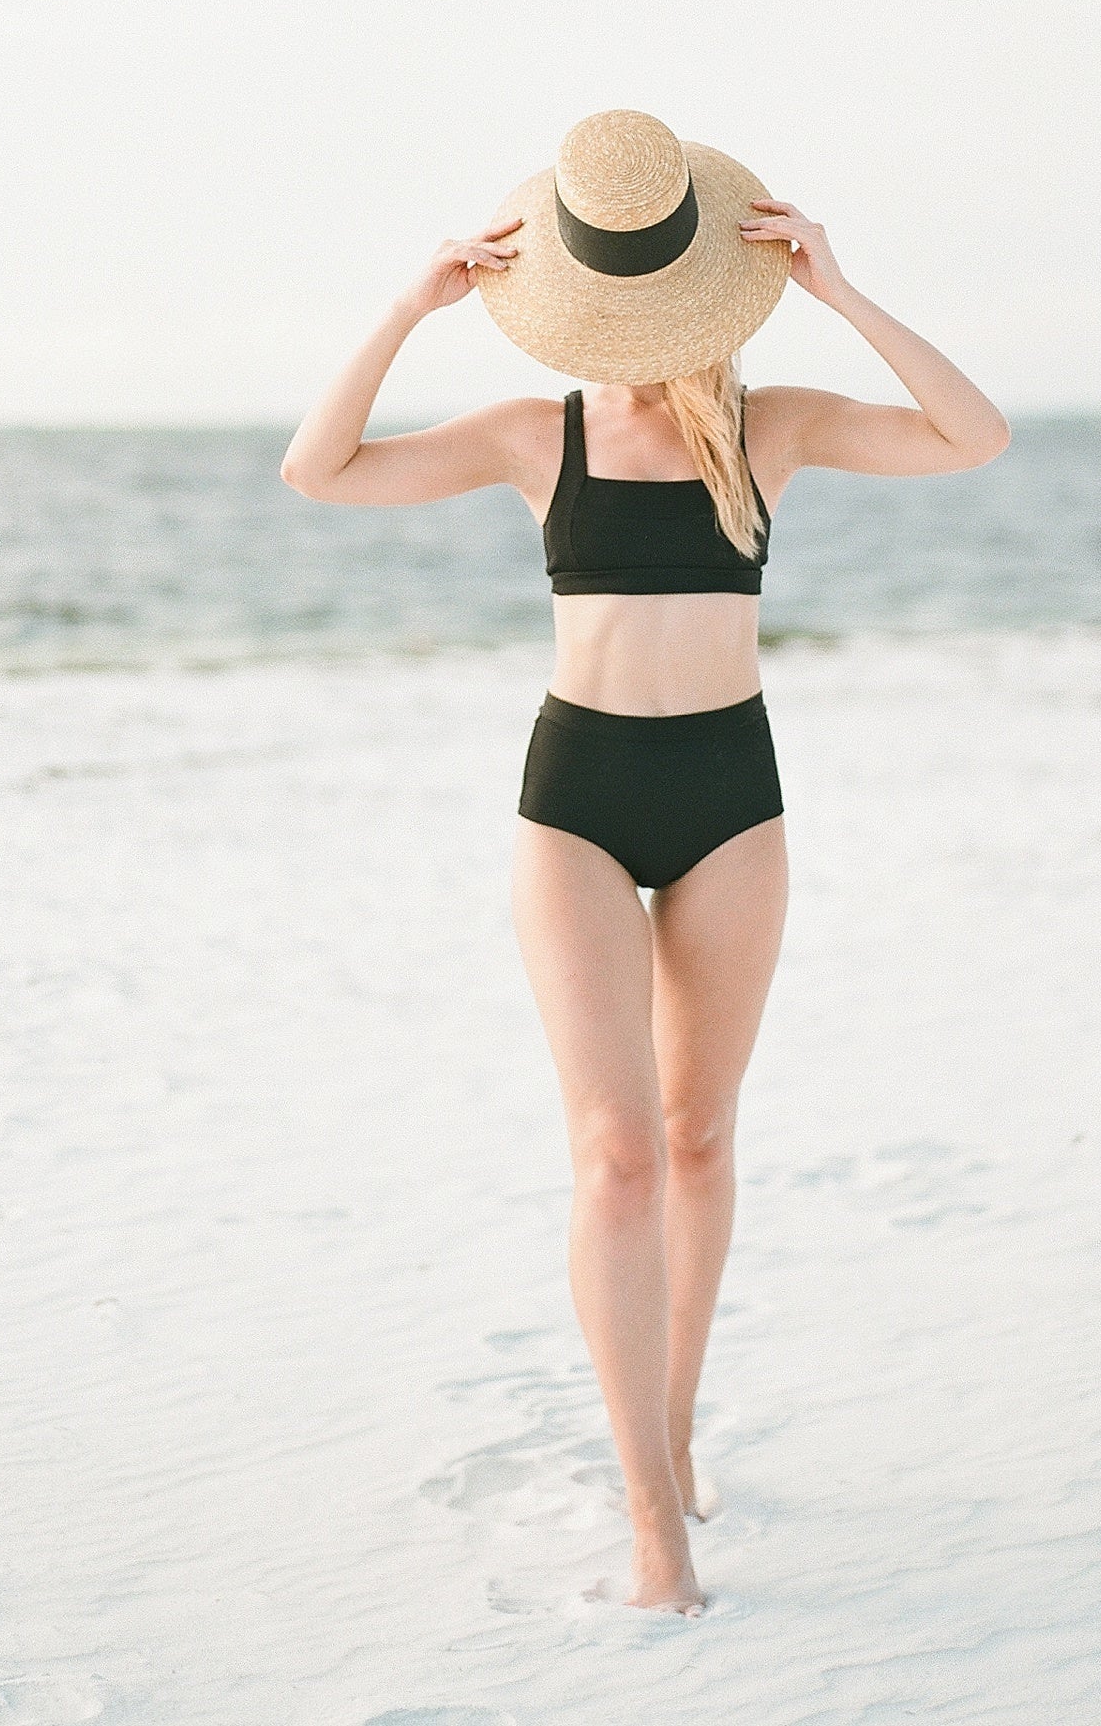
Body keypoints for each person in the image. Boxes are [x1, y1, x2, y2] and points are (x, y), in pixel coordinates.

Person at [281, 110, 1009, 1614]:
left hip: (732, 795)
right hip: (580, 800)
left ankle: (674, 1433)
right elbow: (319, 469)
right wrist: (407, 310)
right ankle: (647, 1518)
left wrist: (842, 293)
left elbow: (973, 435)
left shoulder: (774, 425)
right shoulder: (530, 435)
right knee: (614, 1154)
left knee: (698, 1139)